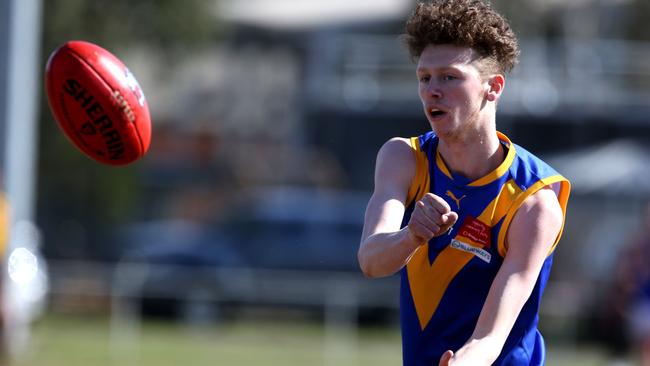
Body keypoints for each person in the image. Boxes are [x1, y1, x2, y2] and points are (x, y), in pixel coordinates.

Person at [357, 1, 571, 365]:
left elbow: (491, 337)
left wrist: (463, 362)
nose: (432, 91)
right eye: (424, 78)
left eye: (450, 77)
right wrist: (412, 235)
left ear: (493, 87)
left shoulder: (534, 201)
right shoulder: (403, 158)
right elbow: (371, 260)